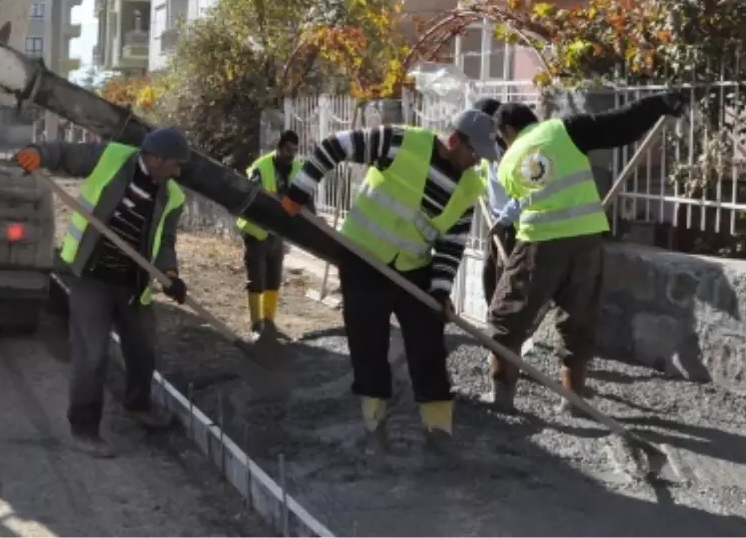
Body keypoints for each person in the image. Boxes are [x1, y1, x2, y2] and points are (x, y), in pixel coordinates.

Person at [279, 110, 499, 453]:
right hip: (364, 259)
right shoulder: (402, 142)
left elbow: (451, 245)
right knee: (368, 343)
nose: (476, 163)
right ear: (455, 140)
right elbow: (332, 146)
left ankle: (438, 428)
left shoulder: (471, 187)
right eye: (474, 154)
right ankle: (374, 425)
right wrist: (299, 192)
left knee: (428, 346)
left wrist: (440, 290)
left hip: (415, 268)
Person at [487, 93, 686, 414]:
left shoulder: (508, 162)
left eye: (500, 137)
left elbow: (523, 199)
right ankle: (572, 400)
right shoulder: (563, 130)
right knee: (578, 318)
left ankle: (502, 398)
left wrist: (505, 219)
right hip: (587, 239)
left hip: (541, 242)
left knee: (507, 315)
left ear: (507, 130)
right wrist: (659, 103)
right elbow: (620, 124)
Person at [14, 128, 191, 458]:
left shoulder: (173, 196)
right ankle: (84, 428)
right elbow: (66, 154)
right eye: (175, 164)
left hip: (132, 282)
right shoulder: (111, 158)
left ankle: (137, 405)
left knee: (143, 349)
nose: (178, 172)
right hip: (91, 276)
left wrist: (170, 274)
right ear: (154, 159)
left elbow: (165, 242)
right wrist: (37, 153)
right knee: (91, 354)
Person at [235, 130, 308, 341]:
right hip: (256, 230)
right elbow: (253, 193)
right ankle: (256, 325)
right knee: (257, 277)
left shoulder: (297, 168)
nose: (291, 155)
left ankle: (269, 322)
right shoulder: (260, 167)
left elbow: (305, 197)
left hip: (278, 231)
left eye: (295, 150)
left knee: (274, 277)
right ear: (278, 147)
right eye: (287, 150)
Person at [472, 98, 521, 308]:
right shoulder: (488, 150)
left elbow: (526, 193)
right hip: (496, 221)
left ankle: (504, 334)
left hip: (512, 226)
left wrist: (505, 219)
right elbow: (486, 177)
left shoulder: (512, 152)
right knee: (489, 276)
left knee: (506, 281)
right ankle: (493, 327)